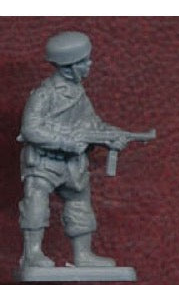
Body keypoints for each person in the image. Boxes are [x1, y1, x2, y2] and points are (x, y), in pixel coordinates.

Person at [18, 31, 130, 269]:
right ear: (69, 67)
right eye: (84, 61)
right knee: (36, 200)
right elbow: (30, 129)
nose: (89, 64)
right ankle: (32, 254)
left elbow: (92, 125)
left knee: (80, 204)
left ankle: (83, 254)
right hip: (44, 162)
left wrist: (111, 136)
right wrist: (67, 142)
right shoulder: (45, 94)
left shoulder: (79, 93)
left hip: (72, 164)